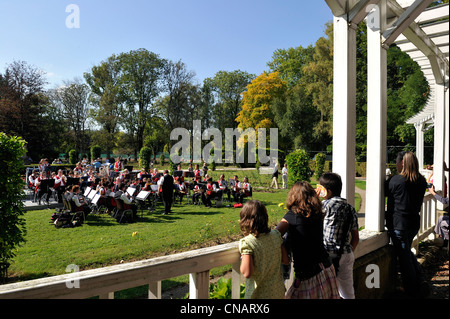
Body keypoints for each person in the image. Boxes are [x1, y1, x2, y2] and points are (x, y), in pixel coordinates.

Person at [276, 181, 339, 299]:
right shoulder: (316, 212)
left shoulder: (292, 216)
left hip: (308, 276)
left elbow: (275, 234)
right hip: (326, 269)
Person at [385, 151, 428, 298]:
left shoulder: (396, 181)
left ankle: (412, 290)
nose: (396, 165)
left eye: (397, 162)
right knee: (407, 253)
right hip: (413, 223)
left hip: (399, 224)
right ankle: (420, 281)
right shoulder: (421, 180)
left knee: (404, 260)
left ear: (402, 163)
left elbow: (385, 191)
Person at [319, 172, 359, 299]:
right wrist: (348, 250)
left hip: (328, 254)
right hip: (346, 253)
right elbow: (355, 237)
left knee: (325, 292)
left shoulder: (324, 206)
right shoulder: (350, 208)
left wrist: (314, 197)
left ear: (327, 192)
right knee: (348, 293)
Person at [239, 200, 288, 299]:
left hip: (258, 294)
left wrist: (243, 257)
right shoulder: (276, 235)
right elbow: (285, 260)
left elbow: (247, 273)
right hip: (277, 291)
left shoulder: (247, 242)